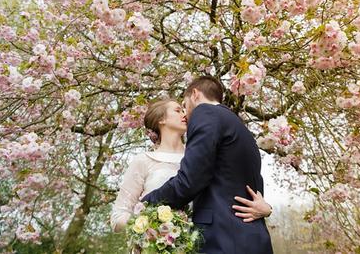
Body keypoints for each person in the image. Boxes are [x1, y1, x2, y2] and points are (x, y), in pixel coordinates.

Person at [142, 76, 274, 254]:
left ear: (195, 95)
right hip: (253, 239)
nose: (186, 115)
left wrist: (146, 204)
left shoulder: (205, 113)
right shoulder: (240, 127)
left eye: (185, 105)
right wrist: (267, 210)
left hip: (223, 240)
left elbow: (190, 180)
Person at [110, 98, 271, 234]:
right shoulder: (143, 161)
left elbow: (231, 190)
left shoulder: (203, 158)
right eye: (178, 110)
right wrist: (147, 223)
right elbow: (117, 218)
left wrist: (267, 208)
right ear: (161, 119)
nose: (185, 113)